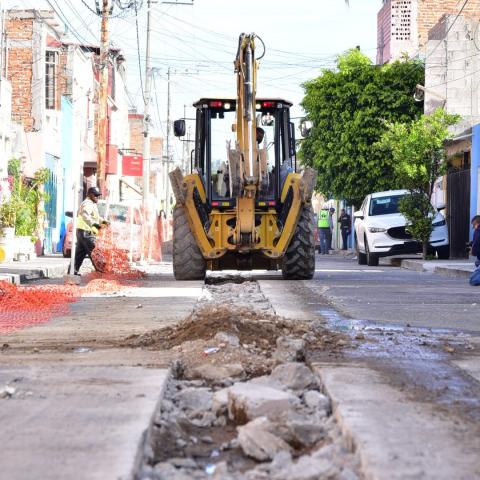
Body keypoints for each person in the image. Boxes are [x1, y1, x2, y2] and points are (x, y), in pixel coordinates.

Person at [73, 187, 107, 275]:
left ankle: (73, 271)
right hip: (86, 232)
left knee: (79, 254)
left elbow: (95, 217)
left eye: (98, 195)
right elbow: (85, 214)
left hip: (82, 232)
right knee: (95, 253)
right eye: (95, 195)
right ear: (90, 195)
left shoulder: (91, 203)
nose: (97, 197)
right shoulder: (88, 203)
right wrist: (93, 224)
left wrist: (104, 222)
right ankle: (101, 272)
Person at [469, 215, 480, 286]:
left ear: (477, 223)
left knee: (472, 280)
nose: (473, 228)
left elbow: (475, 251)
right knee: (477, 262)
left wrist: (471, 251)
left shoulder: (478, 231)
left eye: (474, 225)